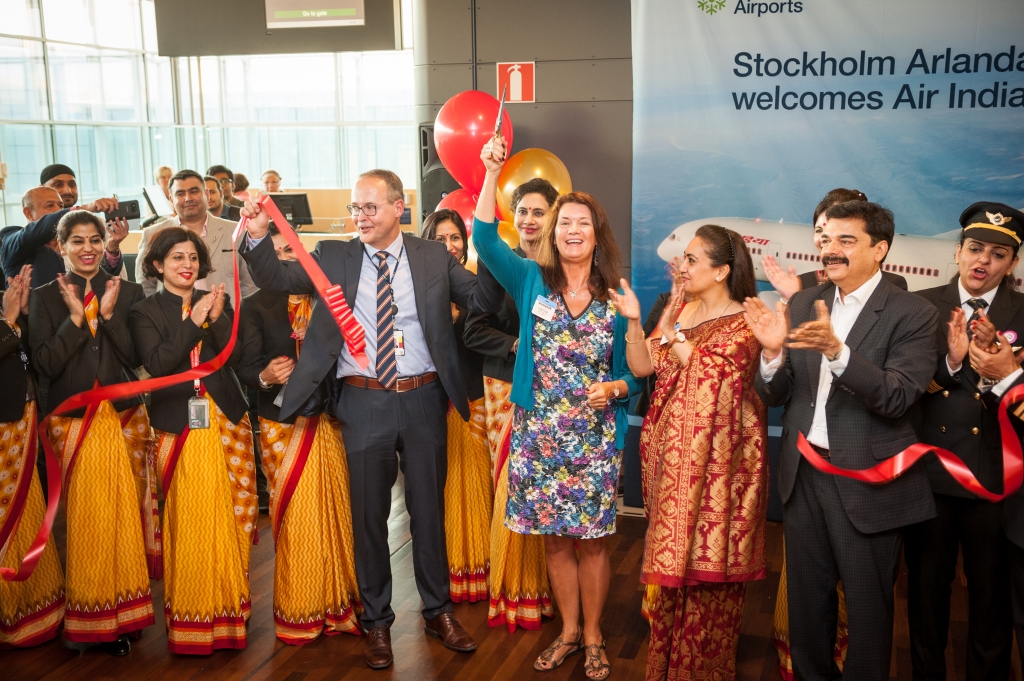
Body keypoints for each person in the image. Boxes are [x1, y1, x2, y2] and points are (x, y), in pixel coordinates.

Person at [239, 168, 479, 670]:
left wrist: (505, 257)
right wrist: (258, 234)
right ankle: (377, 622)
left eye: (371, 207)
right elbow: (277, 276)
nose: (361, 217)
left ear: (399, 208)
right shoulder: (334, 256)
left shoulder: (433, 256)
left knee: (428, 512)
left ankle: (439, 611)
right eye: (355, 208)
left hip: (424, 398)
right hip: (361, 401)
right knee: (369, 518)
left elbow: (480, 299)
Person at [743, 200, 939, 681]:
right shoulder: (806, 302)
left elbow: (896, 397)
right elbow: (778, 393)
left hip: (866, 483)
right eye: (826, 239)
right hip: (803, 477)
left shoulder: (914, 314)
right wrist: (770, 356)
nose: (831, 250)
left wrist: (838, 351)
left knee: (869, 613)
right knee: (807, 607)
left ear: (880, 249)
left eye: (846, 241)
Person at [473, 136, 640, 680]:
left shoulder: (616, 295)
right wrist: (489, 173)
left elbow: (633, 376)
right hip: (539, 435)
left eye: (581, 224)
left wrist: (613, 391)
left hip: (592, 438)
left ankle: (593, 635)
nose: (571, 231)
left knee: (593, 545)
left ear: (596, 235)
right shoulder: (529, 280)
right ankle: (568, 631)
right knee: (554, 543)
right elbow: (480, 236)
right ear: (551, 232)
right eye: (563, 223)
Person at [614, 223, 767, 679]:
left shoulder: (746, 322)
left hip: (721, 468)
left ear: (721, 270)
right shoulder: (680, 308)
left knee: (708, 574)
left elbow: (713, 379)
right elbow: (645, 367)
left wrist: (677, 332)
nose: (682, 266)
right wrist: (636, 322)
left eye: (693, 259)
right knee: (673, 575)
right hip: (672, 465)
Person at [905, 202, 1024, 681]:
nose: (983, 262)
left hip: (997, 482)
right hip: (931, 475)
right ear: (957, 252)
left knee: (990, 602)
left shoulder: (1023, 311)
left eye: (997, 254)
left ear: (1011, 264)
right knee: (926, 596)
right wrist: (952, 365)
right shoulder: (919, 305)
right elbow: (903, 389)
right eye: (975, 249)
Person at [29, 211, 154, 655]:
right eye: (77, 240)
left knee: (127, 514)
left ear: (105, 244)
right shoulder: (43, 298)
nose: (87, 248)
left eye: (95, 240)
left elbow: (137, 357)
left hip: (123, 417)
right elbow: (45, 364)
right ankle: (94, 613)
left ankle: (128, 610)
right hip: (73, 420)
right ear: (59, 247)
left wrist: (110, 314)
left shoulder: (129, 290)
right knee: (90, 518)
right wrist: (77, 320)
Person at [129, 227, 257, 654]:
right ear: (157, 265)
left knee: (234, 516)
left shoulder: (219, 302)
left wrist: (217, 318)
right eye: (177, 258)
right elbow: (159, 364)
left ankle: (231, 609)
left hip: (225, 418)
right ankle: (193, 617)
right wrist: (197, 318)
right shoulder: (145, 312)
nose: (187, 265)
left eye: (193, 258)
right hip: (177, 423)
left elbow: (237, 359)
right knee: (190, 522)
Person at [238, 223, 362, 645]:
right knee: (296, 515)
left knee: (336, 508)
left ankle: (340, 604)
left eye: (291, 251)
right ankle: (301, 609)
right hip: (281, 422)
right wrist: (265, 376)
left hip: (329, 417)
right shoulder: (255, 305)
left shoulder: (326, 297)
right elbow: (243, 368)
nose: (286, 258)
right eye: (275, 252)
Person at [463, 177, 559, 631]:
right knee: (510, 485)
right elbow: (473, 330)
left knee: (548, 490)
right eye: (522, 212)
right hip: (505, 386)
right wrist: (517, 345)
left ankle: (547, 588)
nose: (529, 220)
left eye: (539, 212)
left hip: (556, 394)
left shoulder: (568, 270)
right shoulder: (502, 265)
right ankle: (513, 590)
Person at [420, 209, 492, 604]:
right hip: (429, 405)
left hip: (474, 401)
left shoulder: (479, 289)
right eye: (439, 239)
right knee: (435, 490)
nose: (449, 247)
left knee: (478, 487)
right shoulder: (414, 290)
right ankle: (441, 577)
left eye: (455, 238)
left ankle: (480, 567)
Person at [0, 264, 66, 649]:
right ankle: (12, 613)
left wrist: (21, 316)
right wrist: (10, 320)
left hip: (21, 421)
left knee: (28, 509)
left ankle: (37, 611)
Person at [762, 188, 908, 299]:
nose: (826, 243)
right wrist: (792, 300)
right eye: (820, 231)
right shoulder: (803, 283)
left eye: (844, 239)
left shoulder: (892, 288)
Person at [135, 170, 256, 298]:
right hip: (172, 316)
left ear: (207, 194)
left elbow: (250, 283)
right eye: (180, 194)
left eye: (194, 192)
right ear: (171, 199)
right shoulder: (152, 234)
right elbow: (146, 285)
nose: (188, 198)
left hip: (226, 315)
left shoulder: (236, 231)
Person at [1, 187, 127, 288]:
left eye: (60, 206)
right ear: (28, 213)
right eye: (50, 206)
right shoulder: (10, 237)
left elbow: (101, 278)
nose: (57, 210)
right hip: (33, 316)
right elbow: (31, 234)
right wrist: (82, 209)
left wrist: (112, 247)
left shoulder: (71, 241)